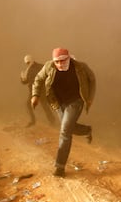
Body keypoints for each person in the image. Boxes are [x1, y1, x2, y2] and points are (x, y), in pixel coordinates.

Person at [31, 48, 96, 177]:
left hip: (76, 101)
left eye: (63, 61)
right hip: (58, 103)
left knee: (65, 131)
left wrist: (89, 98)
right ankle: (87, 130)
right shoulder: (49, 66)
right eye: (57, 62)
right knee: (68, 128)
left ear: (69, 58)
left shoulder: (80, 67)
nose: (60, 64)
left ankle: (59, 168)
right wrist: (35, 95)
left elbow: (92, 79)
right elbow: (38, 79)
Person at [20, 54, 56, 127]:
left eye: (28, 62)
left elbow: (25, 81)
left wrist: (22, 77)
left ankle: (33, 121)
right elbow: (26, 81)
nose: (28, 63)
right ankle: (51, 120)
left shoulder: (30, 70)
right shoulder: (40, 67)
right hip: (40, 90)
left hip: (36, 91)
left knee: (29, 105)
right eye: (27, 63)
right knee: (44, 105)